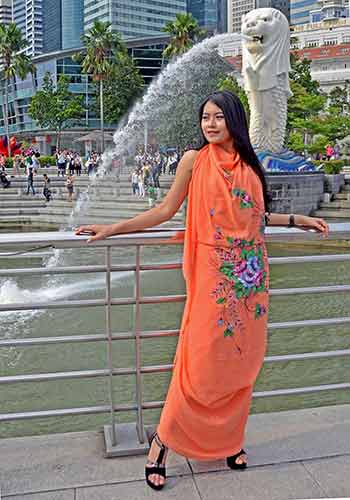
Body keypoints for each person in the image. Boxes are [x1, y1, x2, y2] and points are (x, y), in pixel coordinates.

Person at [75, 91, 329, 491]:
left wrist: (297, 219)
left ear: (234, 121)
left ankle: (229, 440)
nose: (209, 124)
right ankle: (162, 443)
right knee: (199, 364)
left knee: (242, 364)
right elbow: (164, 210)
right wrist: (112, 229)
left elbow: (256, 218)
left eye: (217, 117)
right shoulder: (194, 160)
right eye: (204, 118)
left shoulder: (248, 164)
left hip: (250, 279)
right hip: (212, 277)